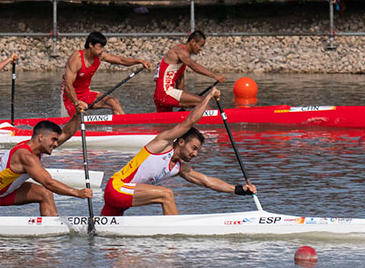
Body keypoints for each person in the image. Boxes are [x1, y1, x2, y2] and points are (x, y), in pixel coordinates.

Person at [101, 87, 257, 216]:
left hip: (122, 201)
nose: (195, 154)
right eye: (194, 148)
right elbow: (189, 121)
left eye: (197, 151)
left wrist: (240, 190)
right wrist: (209, 95)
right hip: (116, 188)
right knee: (166, 194)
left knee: (111, 246)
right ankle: (175, 239)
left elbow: (207, 181)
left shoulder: (178, 168)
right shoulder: (162, 144)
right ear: (181, 142)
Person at [0, 102, 92, 216]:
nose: (56, 144)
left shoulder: (37, 147)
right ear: (41, 137)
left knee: (44, 193)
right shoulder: (25, 156)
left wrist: (76, 115)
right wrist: (77, 193)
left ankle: (49, 236)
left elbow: (67, 133)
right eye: (53, 140)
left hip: (8, 192)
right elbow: (49, 183)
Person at [61, 31, 151, 116]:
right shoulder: (76, 60)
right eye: (99, 47)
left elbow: (121, 60)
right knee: (77, 123)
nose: (102, 50)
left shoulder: (100, 55)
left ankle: (122, 129)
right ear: (90, 45)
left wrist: (139, 61)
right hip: (70, 98)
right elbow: (68, 86)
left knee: (113, 102)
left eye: (103, 47)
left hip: (85, 94)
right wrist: (77, 103)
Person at [153, 30, 226, 113]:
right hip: (165, 94)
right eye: (201, 45)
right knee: (202, 102)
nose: (201, 49)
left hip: (159, 96)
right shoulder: (180, 50)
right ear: (193, 41)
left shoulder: (181, 57)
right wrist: (215, 76)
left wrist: (183, 105)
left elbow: (180, 78)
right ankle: (215, 123)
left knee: (165, 124)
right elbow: (193, 66)